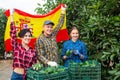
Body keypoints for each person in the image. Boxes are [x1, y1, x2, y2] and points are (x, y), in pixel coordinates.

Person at [10, 10, 37, 80]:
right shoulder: (16, 46)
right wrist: (11, 15)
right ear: (21, 37)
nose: (28, 37)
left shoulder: (33, 51)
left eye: (29, 36)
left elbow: (34, 65)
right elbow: (13, 33)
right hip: (16, 76)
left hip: (27, 77)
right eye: (25, 36)